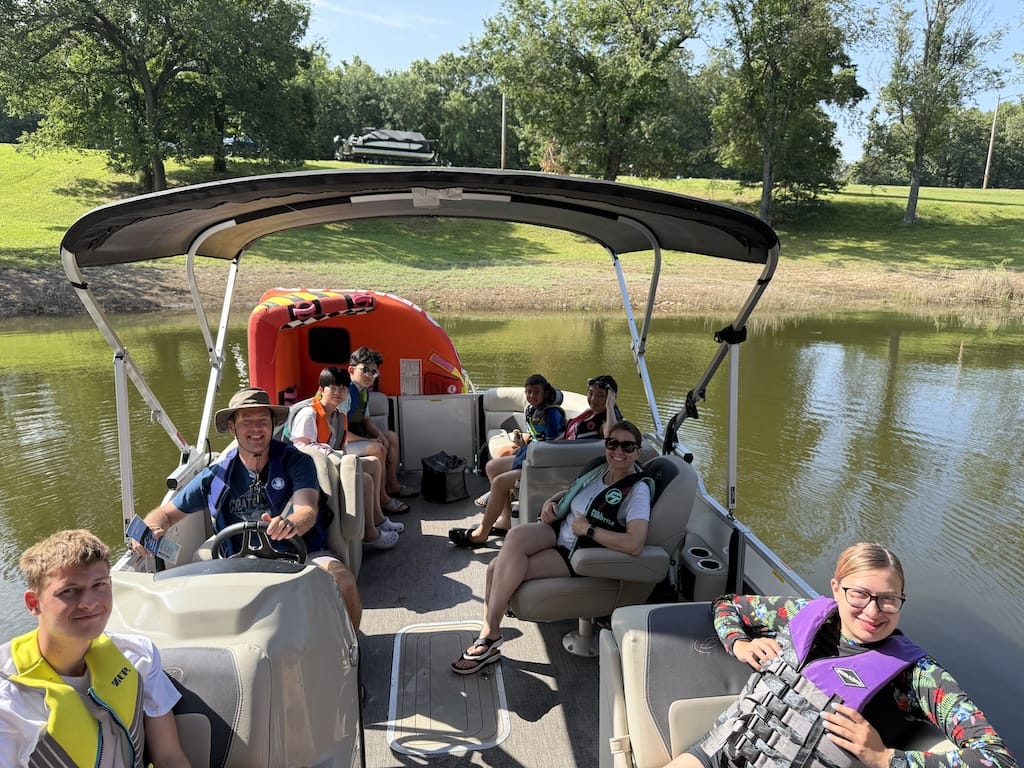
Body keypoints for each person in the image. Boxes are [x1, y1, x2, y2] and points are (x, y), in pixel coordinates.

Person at [663, 542, 1018, 768]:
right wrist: (739, 643)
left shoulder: (917, 676)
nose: (873, 611)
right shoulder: (801, 612)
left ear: (902, 600)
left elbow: (996, 759)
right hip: (716, 753)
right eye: (859, 594)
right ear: (836, 588)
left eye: (888, 599)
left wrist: (886, 759)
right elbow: (727, 605)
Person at [135, 387, 365, 630]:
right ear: (232, 427)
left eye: (263, 420)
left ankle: (352, 647)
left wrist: (291, 524)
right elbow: (165, 513)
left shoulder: (298, 461)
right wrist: (151, 528)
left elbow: (307, 509)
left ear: (272, 424)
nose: (256, 428)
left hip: (302, 555)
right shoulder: (214, 476)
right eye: (247, 421)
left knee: (344, 582)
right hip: (237, 563)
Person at [450, 421, 652, 674]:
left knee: (494, 569)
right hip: (558, 531)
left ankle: (489, 637)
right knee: (515, 536)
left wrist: (589, 530)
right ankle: (490, 635)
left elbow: (634, 543)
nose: (618, 451)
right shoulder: (600, 470)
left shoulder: (637, 491)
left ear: (638, 452)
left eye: (627, 446)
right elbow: (573, 492)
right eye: (612, 444)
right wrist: (551, 501)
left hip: (577, 551)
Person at [1, 529, 191, 768]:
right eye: (69, 591)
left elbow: (169, 757)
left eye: (99, 584)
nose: (89, 602)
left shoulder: (138, 656)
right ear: (33, 603)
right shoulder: (8, 703)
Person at [452, 373, 580, 548]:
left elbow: (551, 445)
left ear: (545, 392)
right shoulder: (532, 410)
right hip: (531, 454)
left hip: (542, 464)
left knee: (499, 482)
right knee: (492, 467)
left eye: (536, 392)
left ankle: (482, 533)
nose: (531, 396)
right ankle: (506, 519)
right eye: (528, 392)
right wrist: (522, 443)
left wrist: (530, 450)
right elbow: (537, 436)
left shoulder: (552, 413)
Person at [290, 366, 401, 551]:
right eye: (332, 387)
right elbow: (300, 448)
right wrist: (334, 455)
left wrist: (342, 457)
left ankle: (378, 519)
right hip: (315, 470)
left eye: (342, 388)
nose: (338, 392)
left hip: (332, 464)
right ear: (322, 389)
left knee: (374, 463)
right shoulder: (309, 414)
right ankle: (370, 534)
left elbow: (342, 445)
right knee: (365, 480)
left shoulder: (339, 417)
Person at [345, 347, 418, 502]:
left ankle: (392, 485)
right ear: (351, 370)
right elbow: (340, 432)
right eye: (365, 370)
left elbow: (366, 420)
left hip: (354, 436)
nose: (369, 375)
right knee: (378, 448)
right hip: (341, 441)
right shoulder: (345, 393)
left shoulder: (363, 391)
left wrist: (379, 435)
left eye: (373, 372)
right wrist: (371, 440)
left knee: (391, 437)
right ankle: (383, 498)